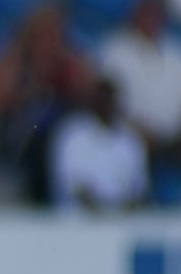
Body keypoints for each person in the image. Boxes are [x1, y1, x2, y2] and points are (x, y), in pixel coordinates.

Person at [0, 1, 89, 203]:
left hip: (59, 131)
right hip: (21, 132)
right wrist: (31, 87)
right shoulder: (15, 59)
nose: (49, 41)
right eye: (43, 34)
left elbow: (86, 92)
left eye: (54, 34)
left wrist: (64, 74)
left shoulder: (68, 61)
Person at [98, 0, 181, 178]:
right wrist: (140, 133)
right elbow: (108, 100)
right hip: (132, 138)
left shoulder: (179, 51)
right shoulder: (115, 50)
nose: (150, 19)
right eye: (145, 13)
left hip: (178, 143)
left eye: (154, 14)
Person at [49, 76, 148, 211]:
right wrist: (101, 212)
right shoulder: (72, 136)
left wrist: (119, 212)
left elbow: (139, 190)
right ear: (92, 101)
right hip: (78, 218)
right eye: (101, 100)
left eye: (109, 100)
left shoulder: (130, 140)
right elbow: (71, 187)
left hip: (123, 218)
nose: (105, 105)